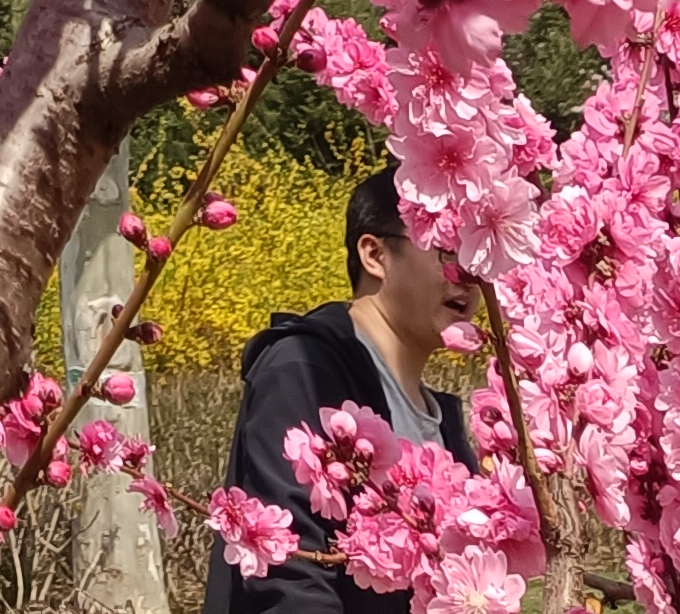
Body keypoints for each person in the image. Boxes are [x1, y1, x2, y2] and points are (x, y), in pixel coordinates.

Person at [200, 166, 483, 614]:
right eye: (446, 247)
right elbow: (289, 575)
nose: (466, 273)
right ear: (374, 254)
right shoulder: (305, 370)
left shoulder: (440, 418)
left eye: (475, 253)